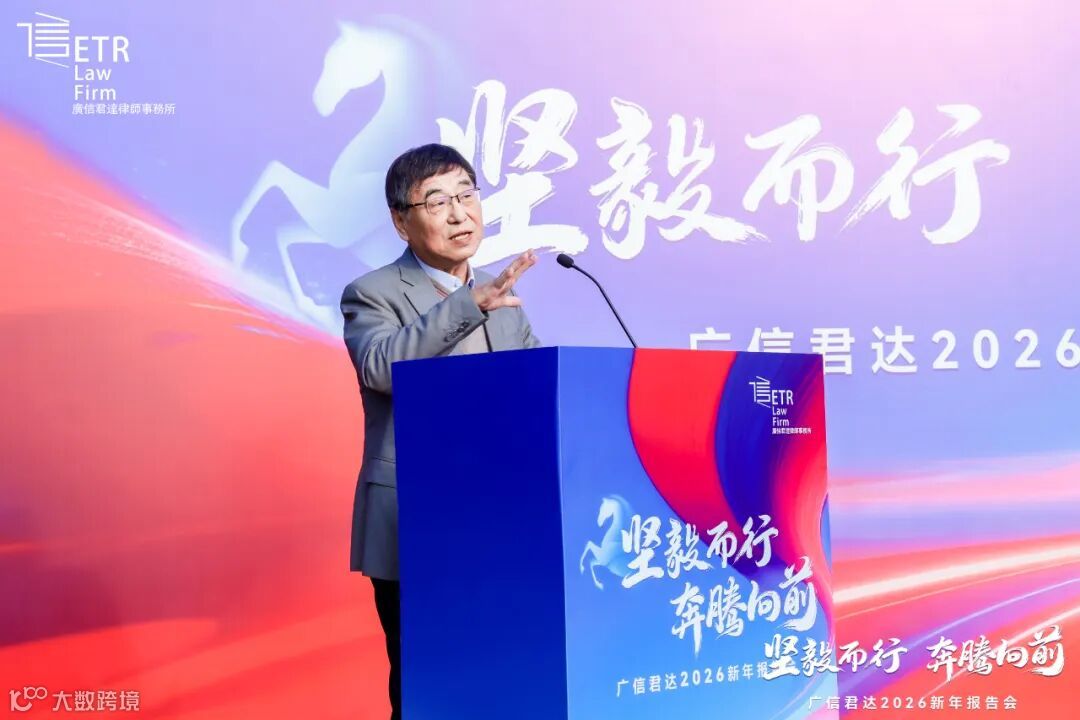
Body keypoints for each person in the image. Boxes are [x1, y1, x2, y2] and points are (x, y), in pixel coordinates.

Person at [339, 143, 541, 719]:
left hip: (500, 523)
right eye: (437, 202)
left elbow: (535, 390)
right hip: (417, 522)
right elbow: (381, 368)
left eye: (465, 195)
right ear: (401, 221)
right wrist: (468, 305)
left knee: (502, 679)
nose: (459, 214)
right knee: (428, 686)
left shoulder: (503, 294)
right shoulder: (372, 292)